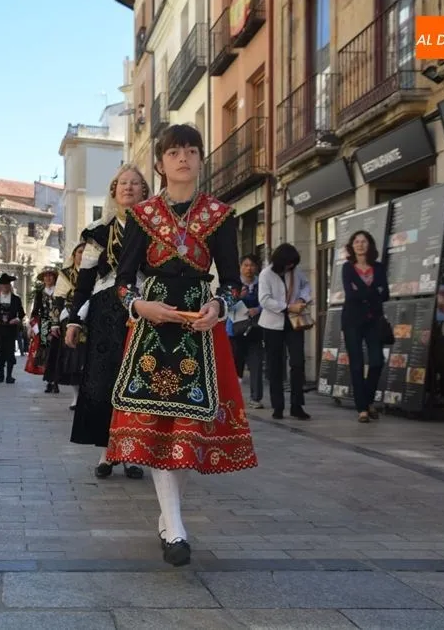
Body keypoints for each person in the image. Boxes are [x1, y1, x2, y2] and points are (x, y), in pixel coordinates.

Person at [106, 124, 258, 567]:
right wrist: (139, 307)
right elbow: (121, 282)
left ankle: (171, 518)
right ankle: (174, 527)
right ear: (161, 162)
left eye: (192, 150)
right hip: (153, 327)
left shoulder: (220, 215)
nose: (184, 158)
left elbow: (231, 280)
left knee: (188, 429)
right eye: (175, 152)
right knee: (156, 425)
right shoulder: (142, 216)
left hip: (198, 327)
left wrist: (218, 305)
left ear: (200, 160)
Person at [65, 164, 149, 481]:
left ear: (144, 191)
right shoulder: (98, 232)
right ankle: (106, 452)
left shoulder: (155, 229)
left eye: (135, 183)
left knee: (134, 383)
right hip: (104, 312)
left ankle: (130, 452)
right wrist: (74, 320)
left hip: (141, 311)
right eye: (122, 183)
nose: (128, 187)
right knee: (103, 384)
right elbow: (84, 282)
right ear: (113, 190)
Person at [258, 243, 313, 420]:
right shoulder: (266, 274)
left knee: (297, 362)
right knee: (275, 365)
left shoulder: (295, 271)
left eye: (293, 264)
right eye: (288, 264)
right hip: (272, 324)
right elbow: (264, 300)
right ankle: (278, 406)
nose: (290, 267)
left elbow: (306, 285)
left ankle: (297, 405)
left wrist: (303, 298)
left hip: (294, 324)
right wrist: (288, 307)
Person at [341, 230, 389, 423]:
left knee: (377, 361)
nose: (360, 245)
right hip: (352, 320)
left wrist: (362, 290)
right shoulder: (347, 267)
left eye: (364, 241)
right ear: (352, 246)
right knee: (357, 364)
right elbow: (350, 295)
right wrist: (372, 292)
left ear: (370, 245)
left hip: (374, 320)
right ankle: (362, 408)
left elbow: (385, 293)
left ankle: (368, 400)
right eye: (356, 242)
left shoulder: (378, 267)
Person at [228, 254, 264, 408]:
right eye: (245, 265)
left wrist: (257, 309)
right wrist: (237, 298)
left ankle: (256, 398)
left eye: (252, 265)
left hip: (255, 330)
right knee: (236, 365)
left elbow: (266, 301)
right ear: (240, 267)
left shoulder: (261, 285)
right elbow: (225, 305)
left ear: (256, 267)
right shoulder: (234, 285)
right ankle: (233, 396)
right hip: (236, 331)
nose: (249, 269)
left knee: (256, 364)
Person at [56, 242, 87, 410]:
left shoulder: (96, 273)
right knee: (74, 359)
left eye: (85, 252)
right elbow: (58, 298)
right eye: (79, 252)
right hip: (70, 319)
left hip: (90, 318)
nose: (82, 255)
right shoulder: (66, 274)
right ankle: (76, 396)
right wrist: (55, 322)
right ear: (74, 255)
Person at [26, 267, 62, 392]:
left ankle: (56, 381)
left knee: (57, 351)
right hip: (45, 324)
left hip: (59, 323)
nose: (48, 278)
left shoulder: (59, 291)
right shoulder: (40, 293)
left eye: (51, 275)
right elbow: (35, 311)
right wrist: (33, 326)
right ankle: (49, 380)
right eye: (46, 276)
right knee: (46, 352)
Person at [0, 274, 25, 383]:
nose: (5, 287)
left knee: (10, 352)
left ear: (10, 285)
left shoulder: (16, 299)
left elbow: (21, 313)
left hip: (11, 329)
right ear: (0, 286)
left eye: (7, 285)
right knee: (0, 351)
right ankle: (1, 374)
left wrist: (17, 319)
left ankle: (9, 376)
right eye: (3, 285)